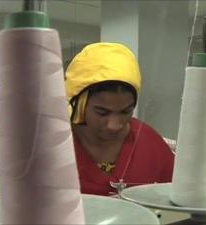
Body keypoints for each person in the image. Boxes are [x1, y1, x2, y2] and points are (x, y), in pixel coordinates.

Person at [65, 42, 174, 196]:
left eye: (126, 111)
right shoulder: (52, 145)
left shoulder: (150, 144)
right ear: (78, 104)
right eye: (102, 112)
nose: (114, 125)